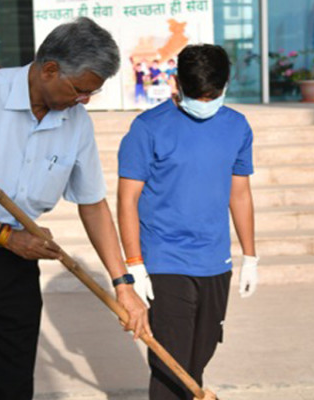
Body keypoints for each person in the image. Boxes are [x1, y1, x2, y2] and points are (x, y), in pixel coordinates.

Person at [0, 17, 150, 400]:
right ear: (50, 69)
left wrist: (123, 284)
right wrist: (5, 236)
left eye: (91, 94)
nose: (84, 100)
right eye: (80, 90)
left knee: (14, 379)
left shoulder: (76, 122)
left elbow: (93, 203)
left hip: (16, 262)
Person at [117, 44, 259, 400]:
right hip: (165, 259)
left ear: (226, 86)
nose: (206, 102)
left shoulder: (237, 127)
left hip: (214, 259)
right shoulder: (147, 129)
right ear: (176, 83)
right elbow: (127, 198)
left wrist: (250, 256)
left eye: (214, 95)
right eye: (199, 95)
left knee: (200, 354)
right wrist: (135, 264)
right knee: (170, 362)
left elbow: (239, 193)